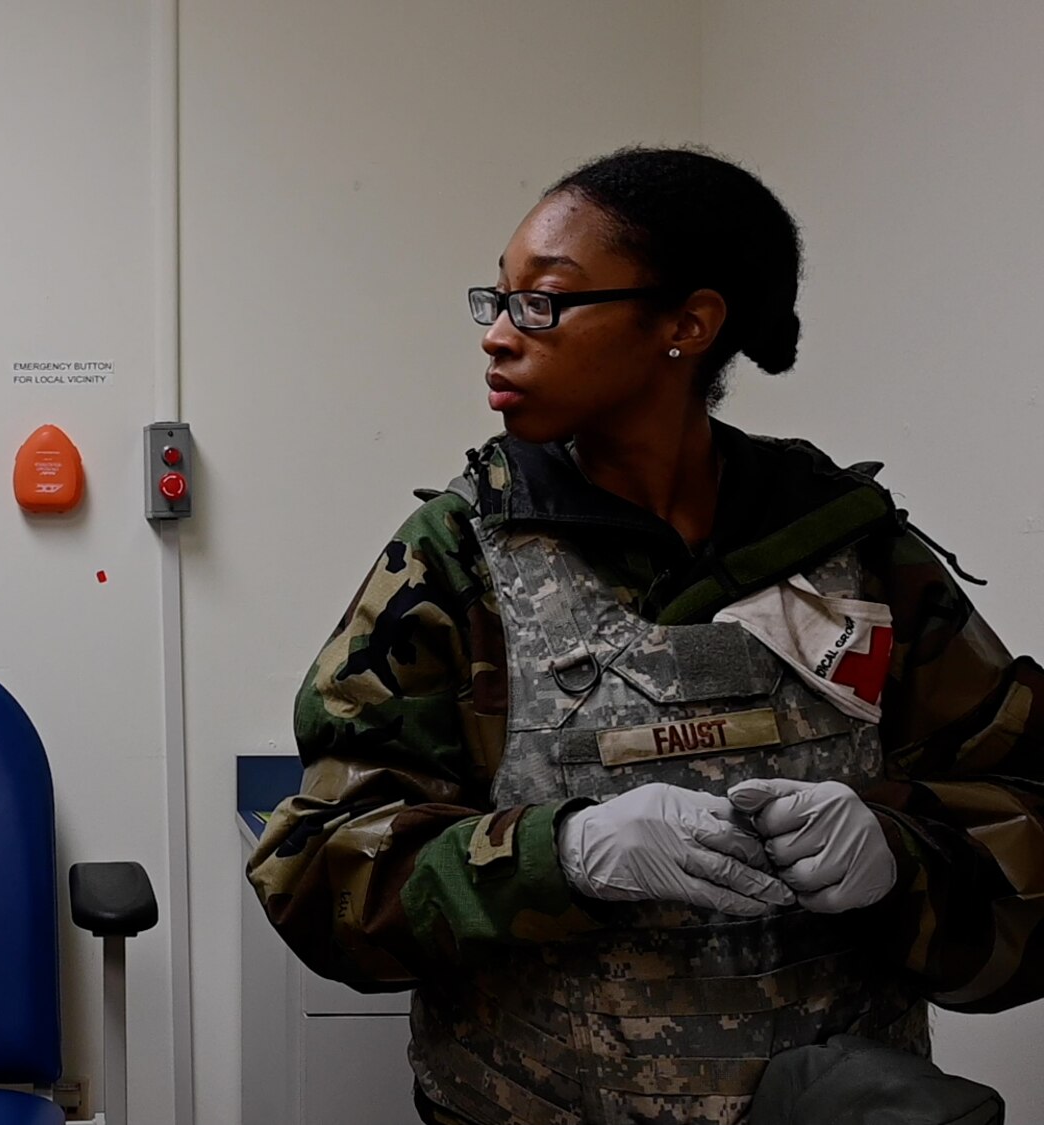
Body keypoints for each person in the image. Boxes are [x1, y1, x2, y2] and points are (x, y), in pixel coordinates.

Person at [247, 146, 1044, 1125]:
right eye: (493, 301)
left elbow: (1021, 803)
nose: (497, 337)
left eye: (541, 302)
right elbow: (318, 870)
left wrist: (897, 860)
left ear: (684, 324)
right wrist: (560, 855)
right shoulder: (455, 562)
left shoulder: (852, 551)